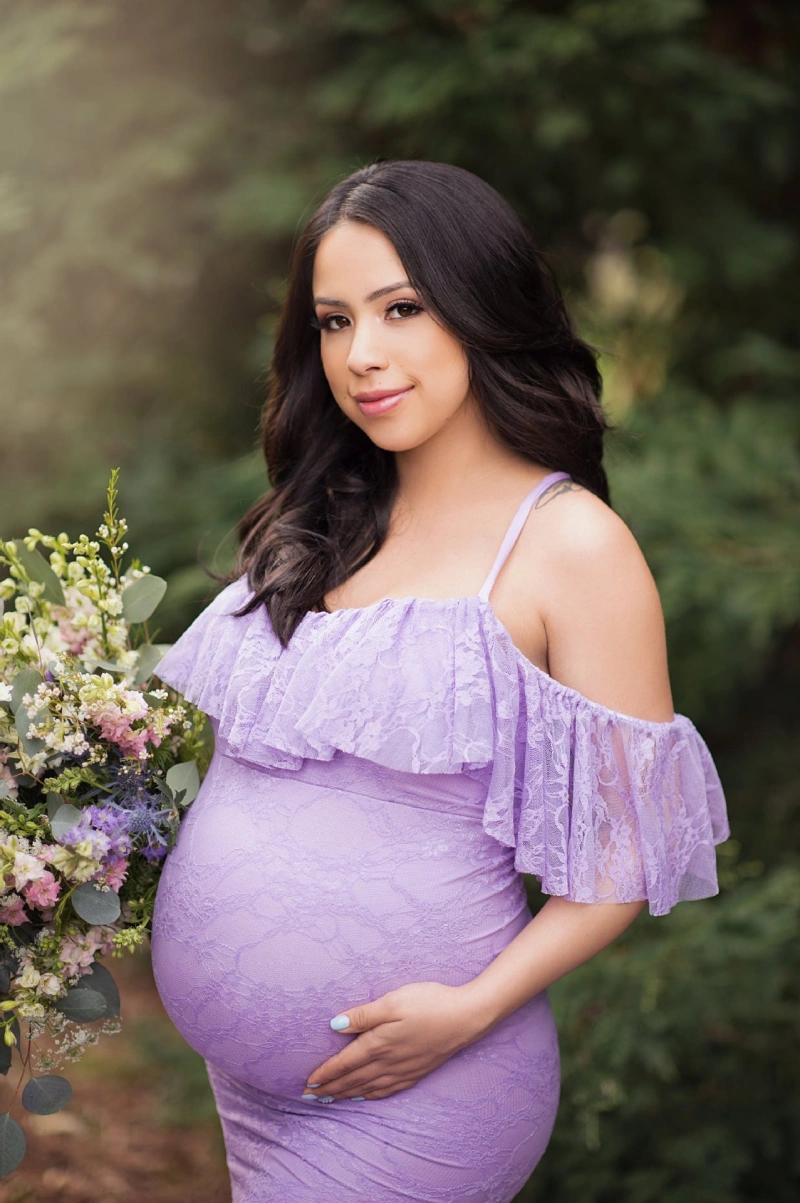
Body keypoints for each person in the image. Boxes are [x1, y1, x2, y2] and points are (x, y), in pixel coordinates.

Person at [150, 159, 729, 1203]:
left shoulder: (569, 548)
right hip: (248, 1090)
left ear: (480, 308)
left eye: (401, 308)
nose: (361, 355)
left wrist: (465, 1012)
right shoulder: (321, 517)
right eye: (332, 322)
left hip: (418, 1092)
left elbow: (624, 855)